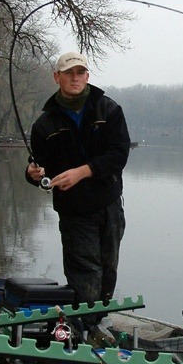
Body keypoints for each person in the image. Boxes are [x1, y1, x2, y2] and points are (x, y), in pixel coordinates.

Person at [25, 51, 130, 347]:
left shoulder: (108, 110)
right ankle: (82, 336)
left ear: (88, 76)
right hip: (73, 211)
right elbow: (38, 167)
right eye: (69, 72)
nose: (75, 78)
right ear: (56, 77)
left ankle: (97, 323)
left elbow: (118, 155)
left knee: (108, 269)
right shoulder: (45, 124)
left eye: (80, 72)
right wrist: (32, 174)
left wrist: (83, 172)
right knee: (85, 273)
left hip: (109, 205)